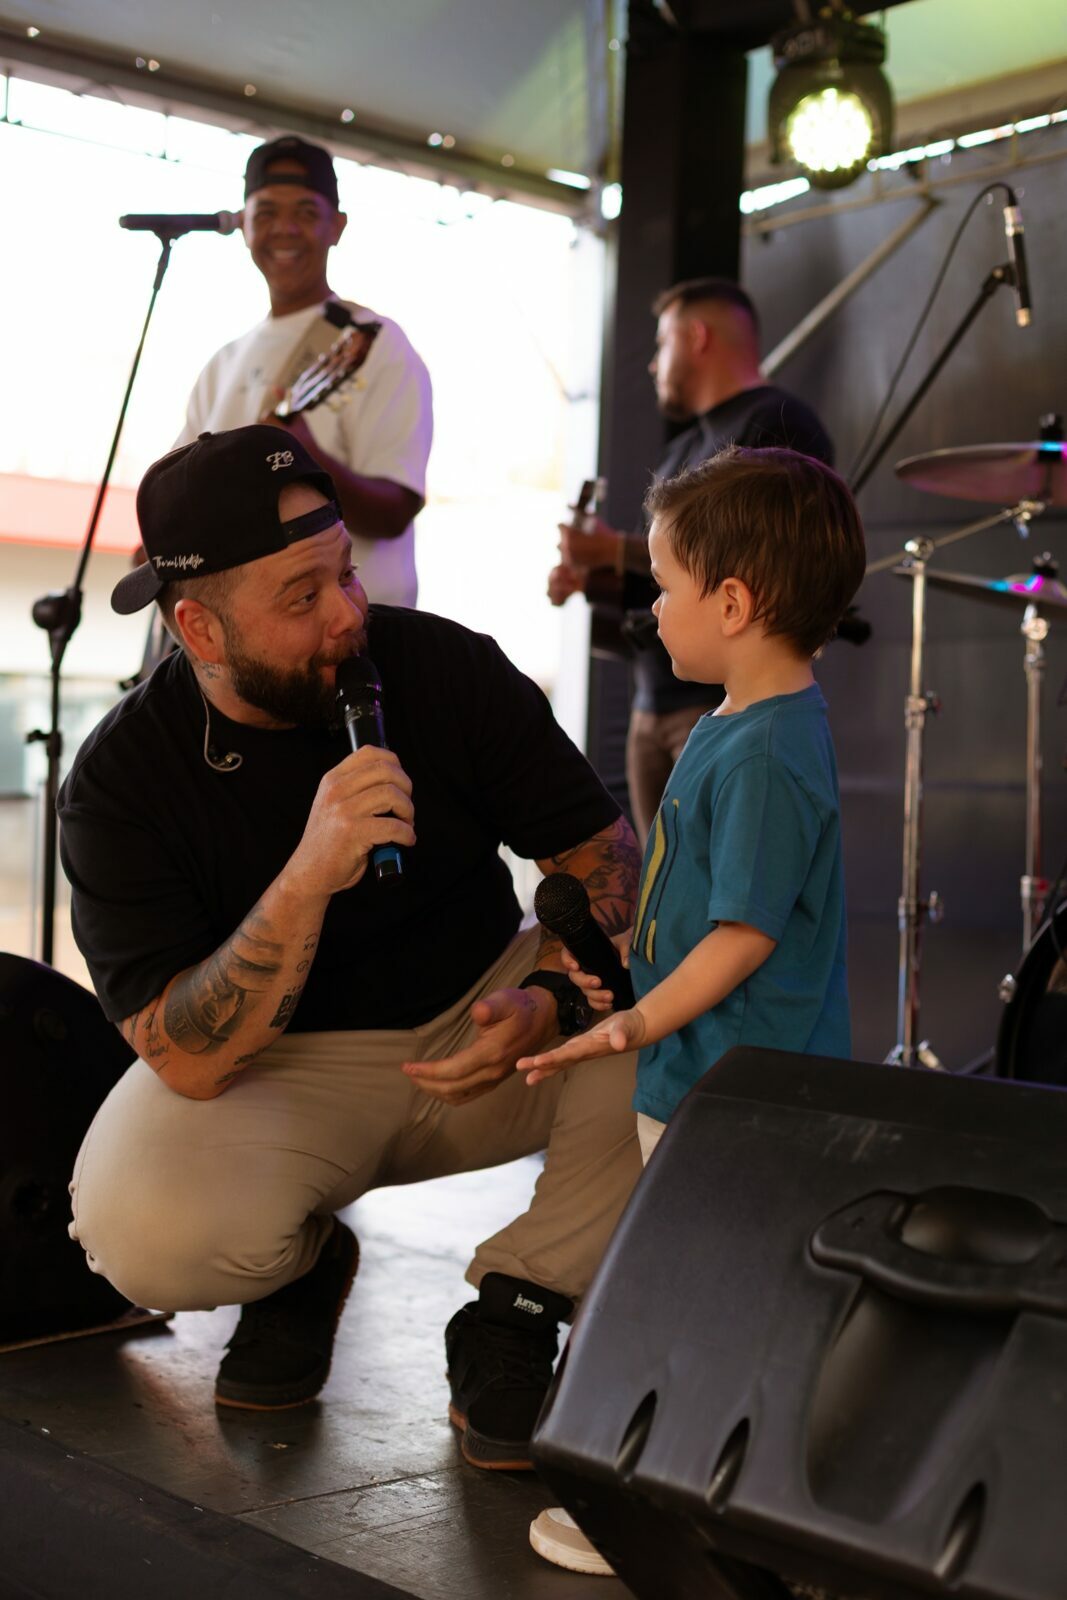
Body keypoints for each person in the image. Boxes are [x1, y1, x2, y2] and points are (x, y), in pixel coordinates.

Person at [58, 425, 643, 1474]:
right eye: (301, 596)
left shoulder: (442, 667)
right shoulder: (121, 781)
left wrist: (553, 995)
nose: (345, 614)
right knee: (130, 1223)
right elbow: (183, 1053)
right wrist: (304, 878)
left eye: (346, 574)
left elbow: (605, 856)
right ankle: (299, 1268)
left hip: (495, 1023)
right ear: (197, 625)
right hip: (285, 1077)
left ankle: (519, 1304)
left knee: (689, 982)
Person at [522, 444, 866, 1573]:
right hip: (705, 1080)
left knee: (706, 1301)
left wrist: (636, 1021)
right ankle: (697, 1496)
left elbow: (744, 935)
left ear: (731, 603)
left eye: (663, 587)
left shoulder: (764, 750)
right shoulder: (739, 721)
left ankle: (676, 1510)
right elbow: (705, 907)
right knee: (695, 1291)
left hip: (736, 1092)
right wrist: (633, 967)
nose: (650, 608)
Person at [550, 277, 834, 844]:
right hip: (652, 701)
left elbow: (758, 556)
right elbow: (668, 578)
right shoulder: (680, 448)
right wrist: (592, 577)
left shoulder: (776, 421)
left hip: (720, 700)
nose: (653, 363)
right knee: (664, 876)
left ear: (698, 336)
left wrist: (613, 549)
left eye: (662, 342)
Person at [177, 133, 432, 608]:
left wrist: (308, 459)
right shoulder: (222, 363)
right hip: (247, 635)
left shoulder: (373, 341)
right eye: (266, 213)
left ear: (337, 226)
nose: (285, 229)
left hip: (360, 627)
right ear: (243, 225)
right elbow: (183, 501)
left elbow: (395, 511)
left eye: (306, 213)